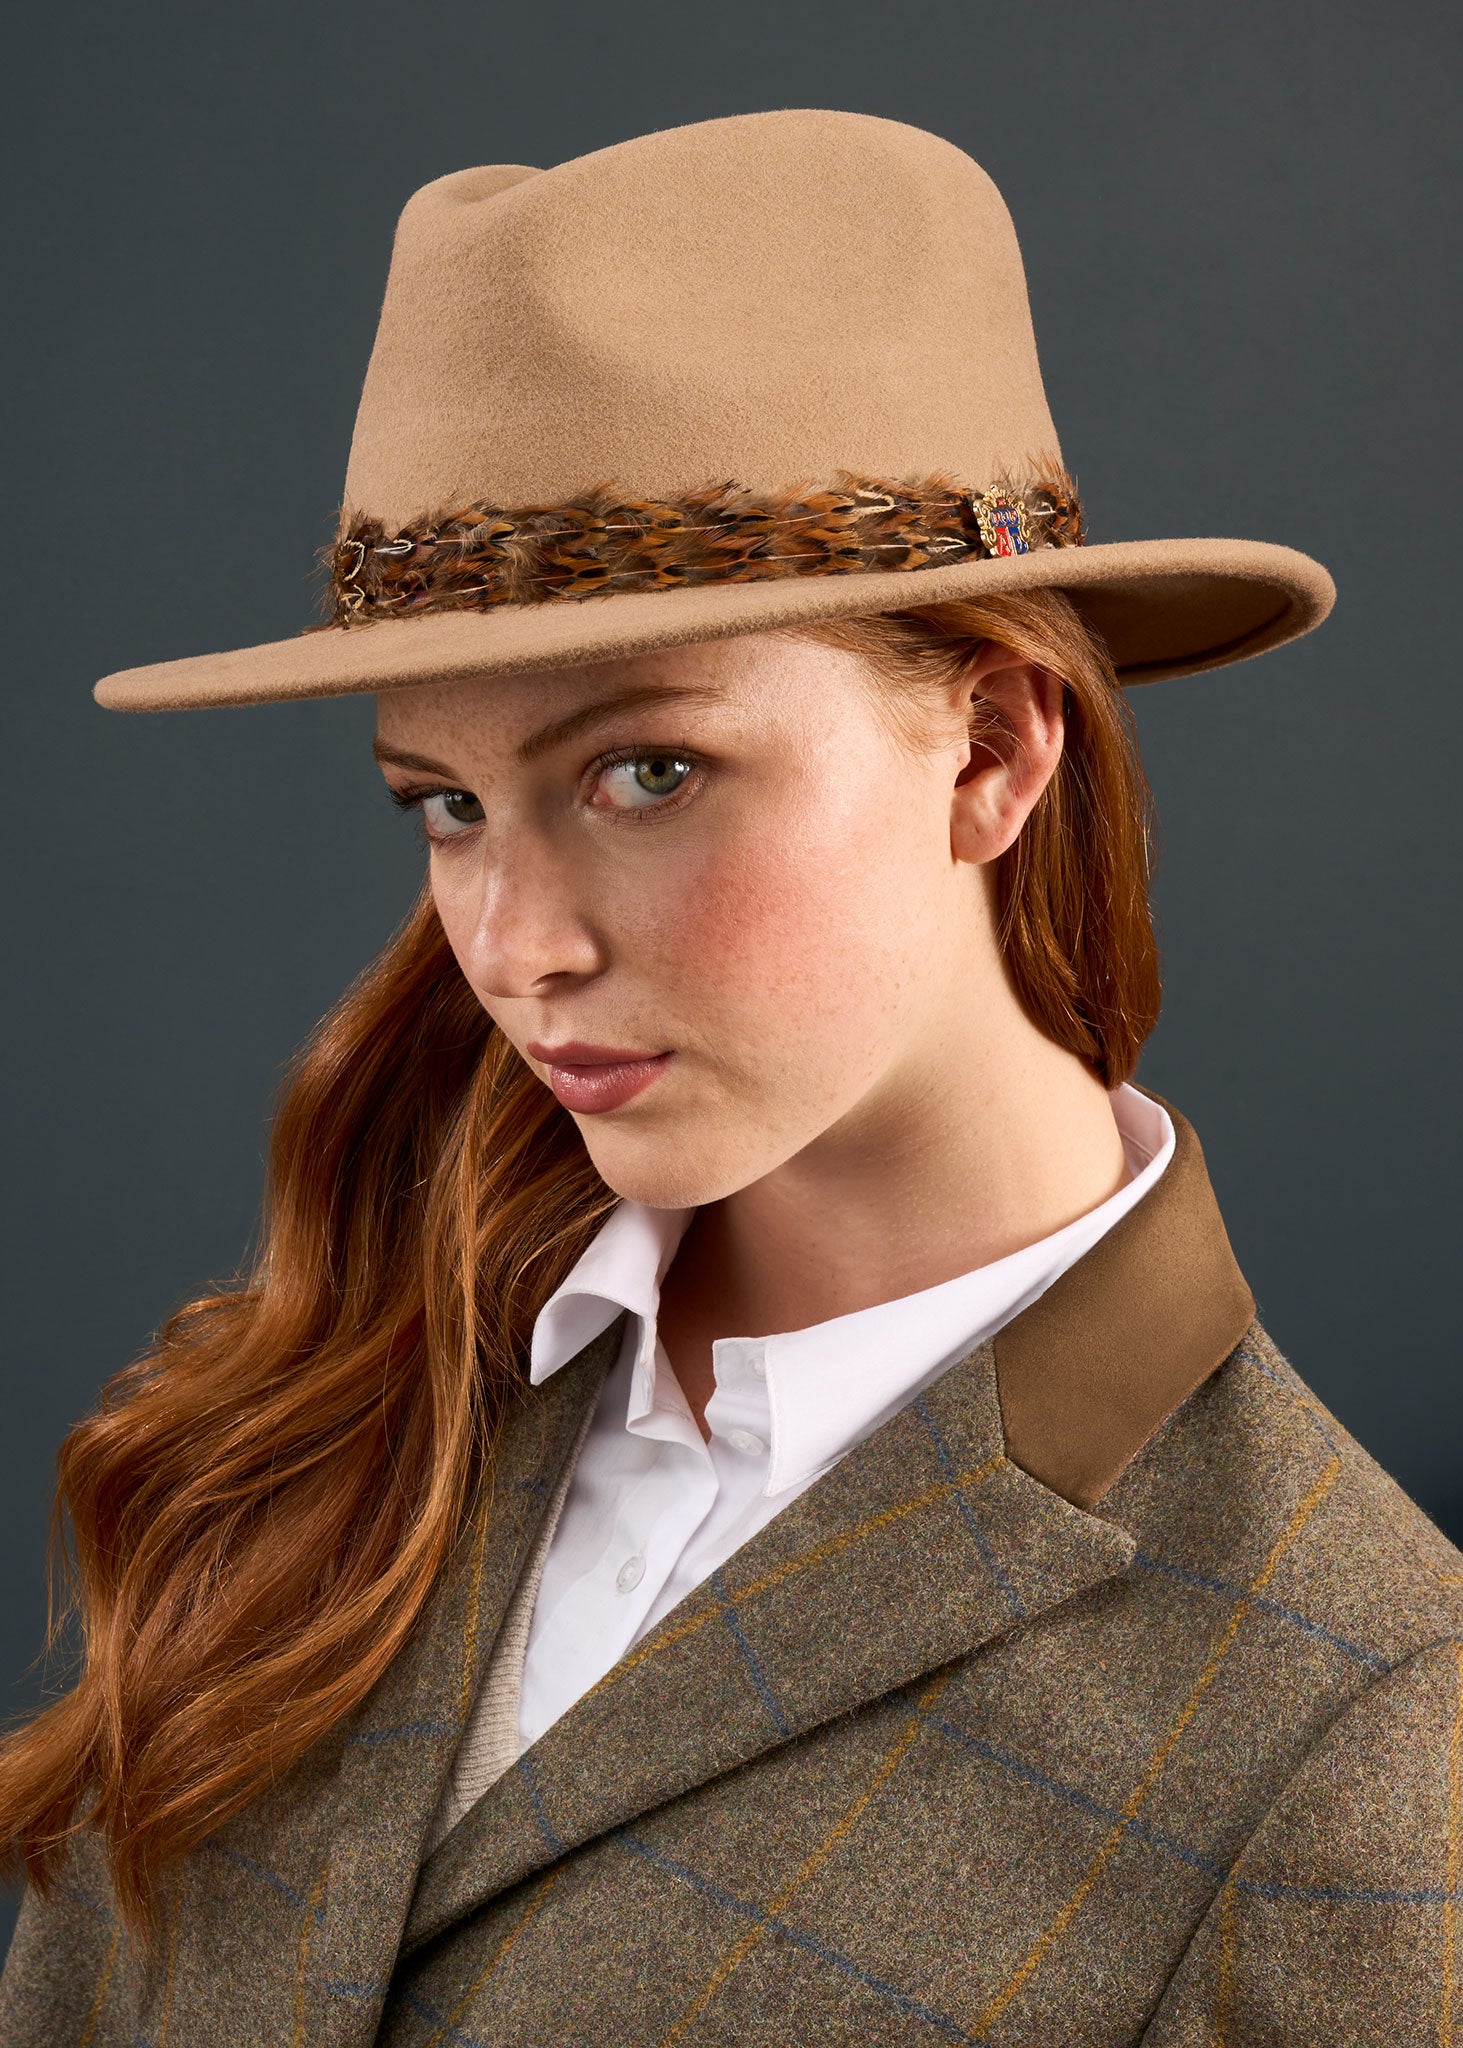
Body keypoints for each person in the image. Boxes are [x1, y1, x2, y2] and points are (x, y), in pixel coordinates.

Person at [0, 107, 1455, 2047]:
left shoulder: (1355, 1737)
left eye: (647, 771)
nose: (515, 944)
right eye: (444, 803)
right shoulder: (316, 1427)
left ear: (994, 749)